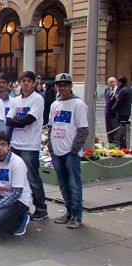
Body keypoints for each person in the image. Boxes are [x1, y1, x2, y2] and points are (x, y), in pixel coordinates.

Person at [48, 73, 89, 229]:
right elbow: (51, 126)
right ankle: (68, 211)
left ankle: (76, 215)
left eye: (65, 85)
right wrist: (51, 147)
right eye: (59, 85)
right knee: (63, 184)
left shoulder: (78, 104)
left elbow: (83, 129)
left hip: (70, 152)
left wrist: (74, 150)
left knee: (74, 184)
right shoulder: (54, 105)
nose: (62, 88)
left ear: (70, 86)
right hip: (57, 151)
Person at [6, 71, 47, 221]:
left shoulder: (38, 99)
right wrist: (19, 119)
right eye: (23, 81)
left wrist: (18, 119)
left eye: (29, 81)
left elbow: (28, 120)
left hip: (30, 145)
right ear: (19, 82)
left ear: (34, 82)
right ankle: (22, 206)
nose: (26, 83)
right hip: (16, 144)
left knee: (32, 178)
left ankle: (41, 208)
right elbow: (8, 120)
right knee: (18, 178)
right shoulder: (16, 101)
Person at [111, 76, 132, 148]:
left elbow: (118, 102)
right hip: (127, 112)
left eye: (118, 82)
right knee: (124, 130)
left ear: (121, 82)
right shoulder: (129, 89)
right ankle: (124, 145)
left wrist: (112, 109)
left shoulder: (123, 91)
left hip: (121, 113)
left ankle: (121, 145)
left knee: (121, 131)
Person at [104, 77, 119, 144]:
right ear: (108, 83)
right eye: (110, 82)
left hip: (115, 113)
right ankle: (110, 142)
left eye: (113, 82)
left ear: (116, 82)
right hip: (108, 112)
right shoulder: (107, 90)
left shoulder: (119, 90)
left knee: (115, 128)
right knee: (109, 128)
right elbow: (107, 100)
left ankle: (115, 143)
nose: (112, 83)